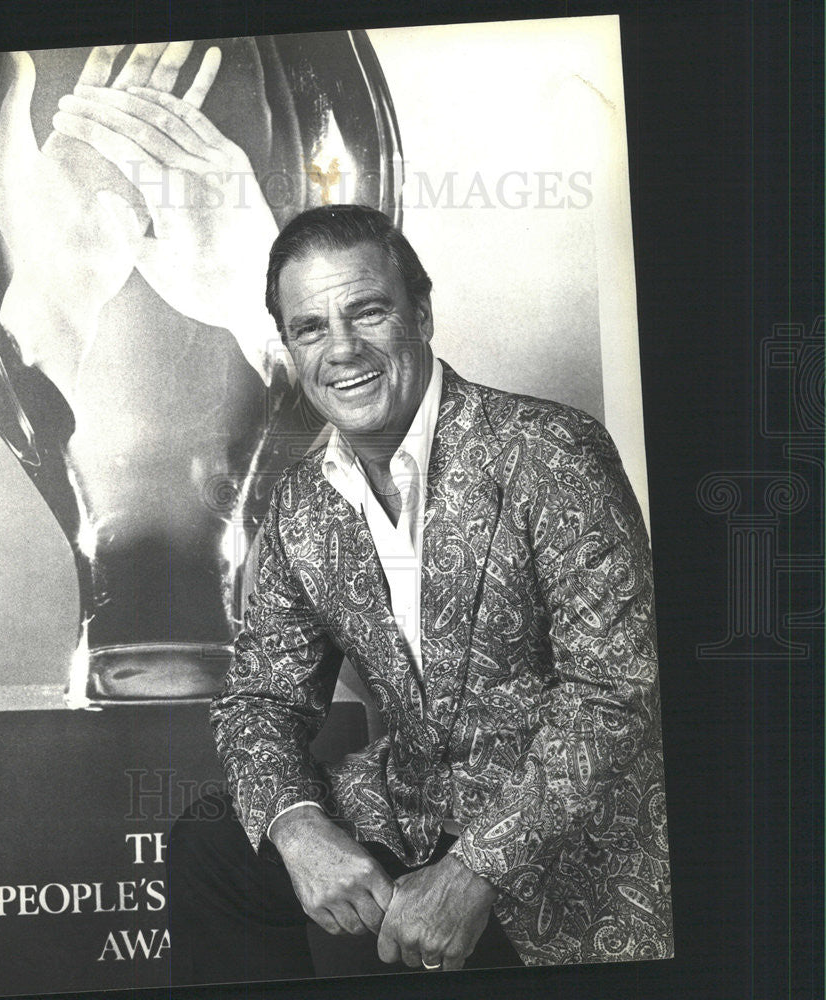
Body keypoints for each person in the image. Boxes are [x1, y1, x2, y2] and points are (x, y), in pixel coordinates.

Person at [166, 204, 673, 982]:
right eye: (310, 328)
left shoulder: (551, 451)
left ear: (423, 314)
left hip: (570, 846)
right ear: (290, 348)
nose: (342, 349)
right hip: (414, 810)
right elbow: (259, 701)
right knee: (212, 845)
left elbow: (617, 693)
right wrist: (298, 827)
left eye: (367, 310)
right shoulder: (302, 500)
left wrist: (475, 871)